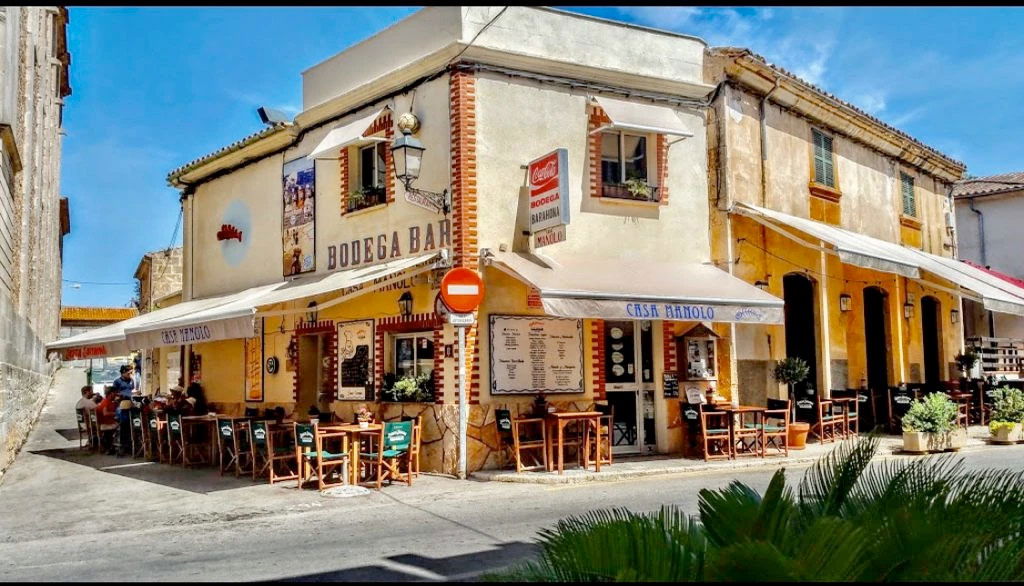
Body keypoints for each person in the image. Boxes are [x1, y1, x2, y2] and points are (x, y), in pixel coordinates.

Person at [96, 388, 119, 455]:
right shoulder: (106, 402)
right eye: (115, 393)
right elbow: (105, 413)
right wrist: (116, 413)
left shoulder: (106, 401)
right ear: (111, 393)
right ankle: (118, 445)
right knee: (124, 425)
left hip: (106, 422)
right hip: (106, 423)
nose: (116, 395)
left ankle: (111, 446)